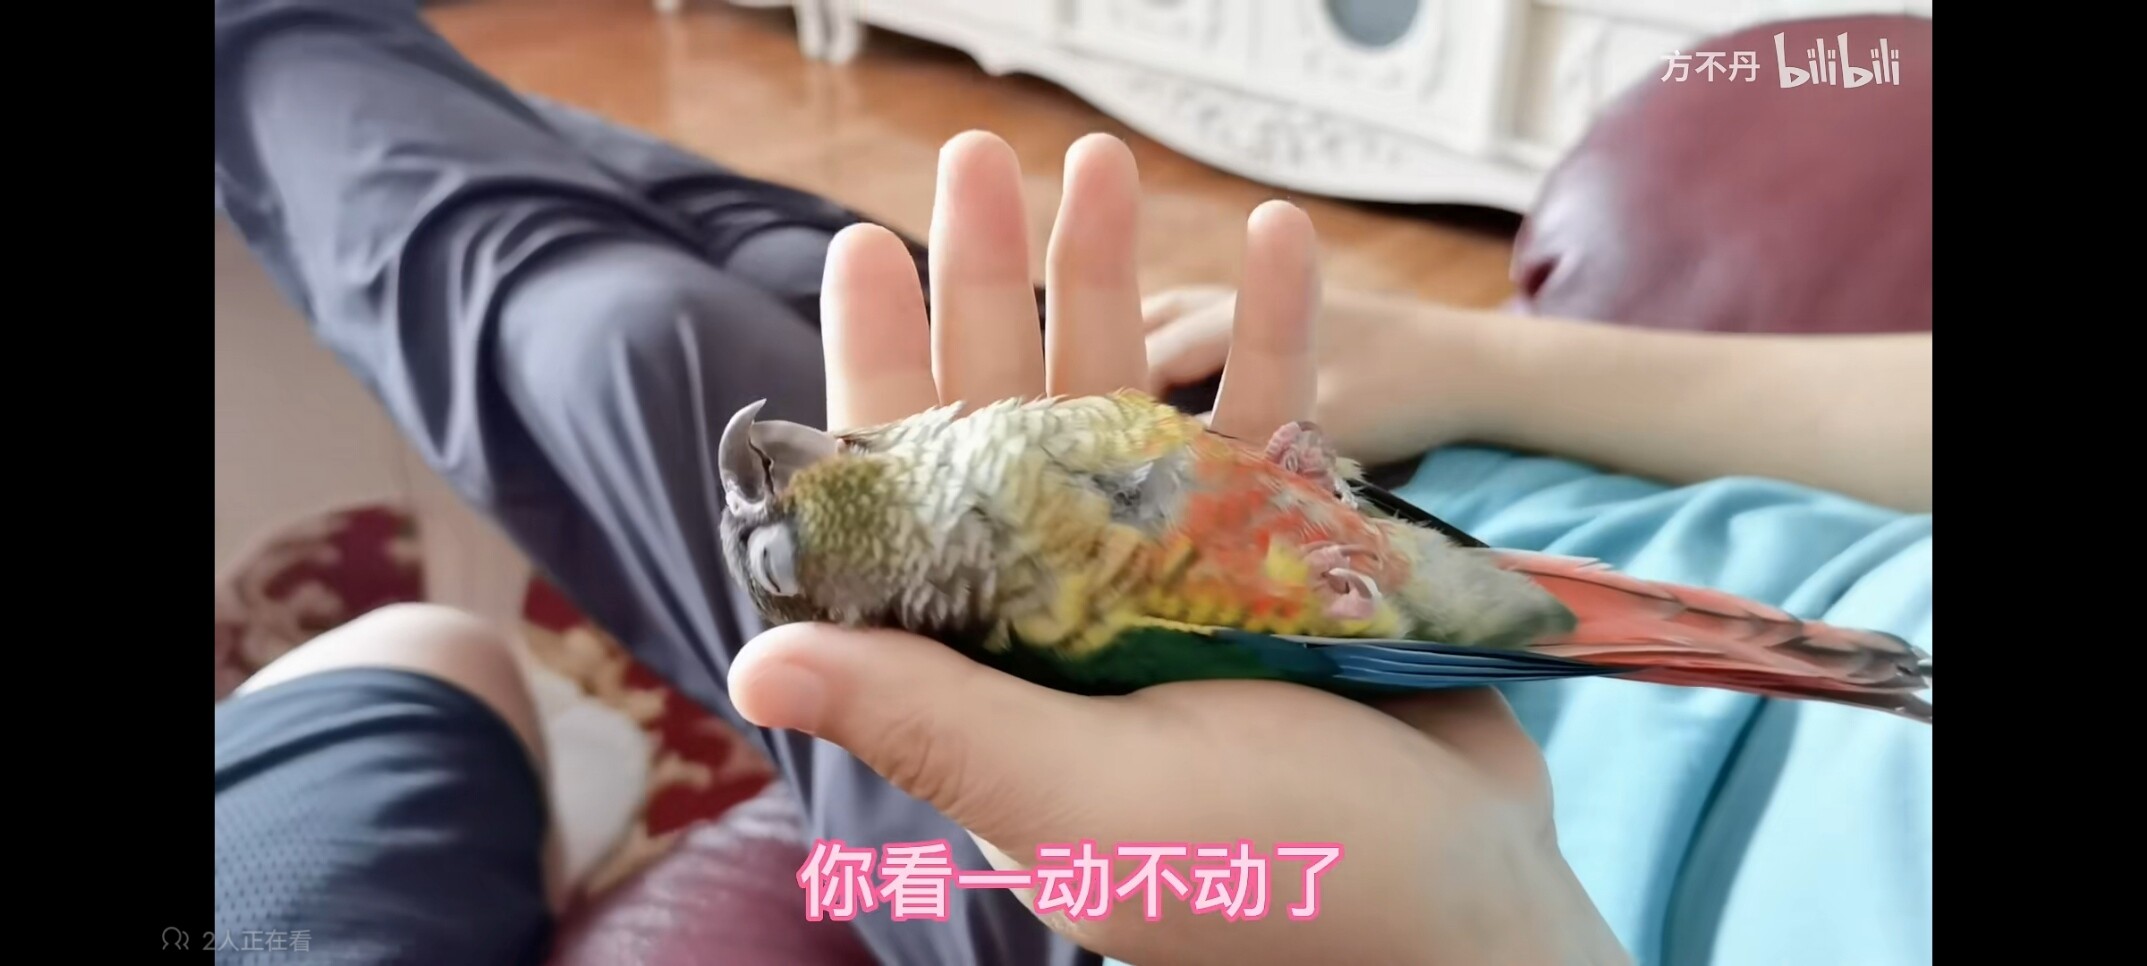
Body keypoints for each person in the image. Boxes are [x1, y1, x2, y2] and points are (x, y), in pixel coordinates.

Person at [213, 1, 1932, 964]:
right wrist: (1487, 362)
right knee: (762, 257)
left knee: (601, 319)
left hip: (1272, 829)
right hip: (1391, 495)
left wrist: (1466, 923)